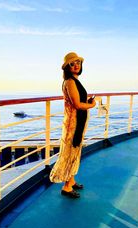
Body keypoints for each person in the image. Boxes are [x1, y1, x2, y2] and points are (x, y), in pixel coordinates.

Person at [49, 52, 96, 198]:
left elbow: (78, 101)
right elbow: (76, 104)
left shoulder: (75, 81)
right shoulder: (69, 82)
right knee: (70, 152)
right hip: (72, 125)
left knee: (74, 152)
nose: (76, 65)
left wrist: (86, 101)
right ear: (67, 67)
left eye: (78, 62)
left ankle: (72, 180)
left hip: (77, 122)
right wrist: (92, 105)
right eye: (72, 63)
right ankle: (66, 187)